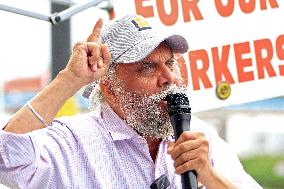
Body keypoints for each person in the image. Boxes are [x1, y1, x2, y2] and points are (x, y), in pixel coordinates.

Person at [0, 14, 262, 189]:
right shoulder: (72, 141)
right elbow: (7, 160)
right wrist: (70, 79)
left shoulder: (201, 137)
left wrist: (210, 176)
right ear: (110, 88)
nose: (168, 78)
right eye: (147, 67)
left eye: (170, 63)